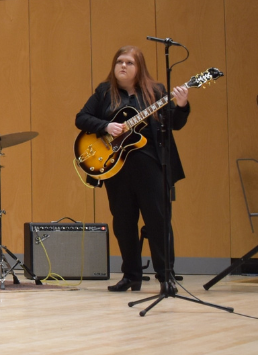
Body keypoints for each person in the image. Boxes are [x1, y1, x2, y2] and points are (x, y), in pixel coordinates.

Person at [75, 45, 190, 294]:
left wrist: (181, 105)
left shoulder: (156, 92)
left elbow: (174, 125)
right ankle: (131, 276)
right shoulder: (105, 92)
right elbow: (81, 118)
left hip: (151, 167)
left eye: (129, 62)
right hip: (117, 169)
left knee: (158, 222)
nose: (123, 66)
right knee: (123, 223)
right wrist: (106, 126)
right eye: (119, 62)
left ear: (140, 68)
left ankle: (165, 277)